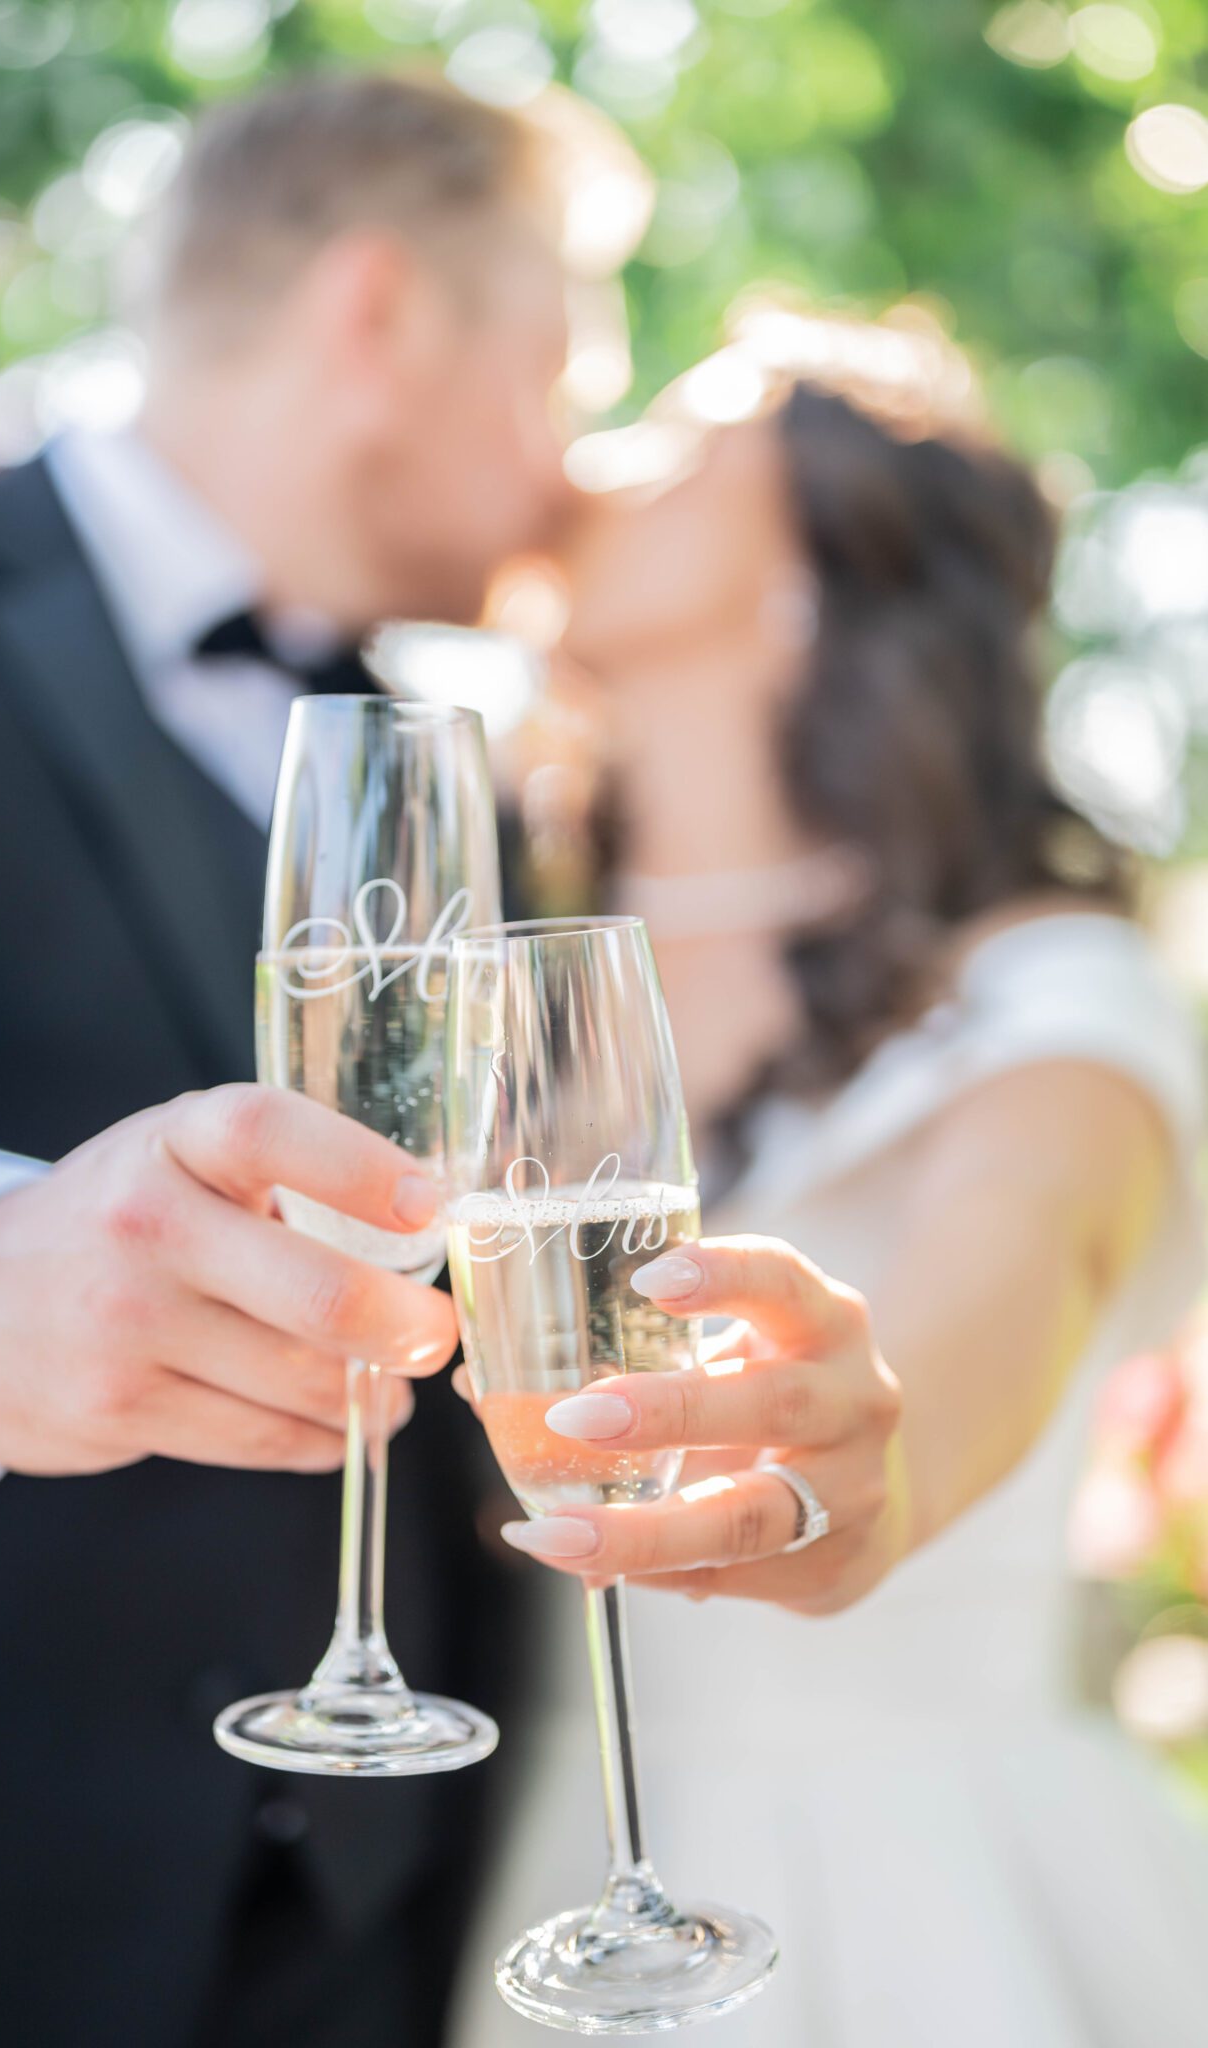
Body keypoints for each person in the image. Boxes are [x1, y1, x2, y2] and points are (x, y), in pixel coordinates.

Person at [0, 72, 576, 2048]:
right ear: (378, 319)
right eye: (555, 363)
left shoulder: (452, 766)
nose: (568, 460)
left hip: (390, 1916)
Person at [449, 367, 1208, 2047]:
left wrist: (877, 1455)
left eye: (683, 447)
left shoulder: (1042, 990)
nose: (594, 457)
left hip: (933, 1890)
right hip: (548, 1874)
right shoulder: (497, 957)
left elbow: (1012, 1263)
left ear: (810, 578)